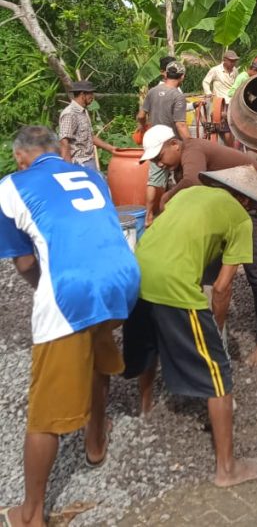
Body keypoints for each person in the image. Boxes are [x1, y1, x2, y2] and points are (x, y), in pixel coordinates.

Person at [0, 126, 139, 527]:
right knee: (98, 351)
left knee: (45, 412)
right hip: (123, 277)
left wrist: (45, 290)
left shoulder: (12, 185)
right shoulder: (90, 173)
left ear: (22, 157)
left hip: (72, 290)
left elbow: (25, 264)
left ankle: (29, 515)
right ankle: (95, 442)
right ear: (55, 151)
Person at [122, 165, 257, 488]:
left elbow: (171, 228)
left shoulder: (189, 193)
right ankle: (227, 469)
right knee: (219, 374)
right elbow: (221, 288)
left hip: (136, 272)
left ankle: (146, 408)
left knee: (149, 344)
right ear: (247, 201)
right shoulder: (240, 218)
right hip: (174, 283)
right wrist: (215, 328)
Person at [139, 127, 257, 367]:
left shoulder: (191, 150)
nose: (159, 164)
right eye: (154, 161)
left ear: (174, 144)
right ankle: (209, 331)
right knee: (212, 265)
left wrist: (166, 198)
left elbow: (193, 181)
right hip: (230, 205)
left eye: (159, 157)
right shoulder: (177, 163)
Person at [136, 60, 189, 224]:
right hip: (171, 145)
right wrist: (190, 143)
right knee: (182, 177)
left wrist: (143, 128)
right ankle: (181, 212)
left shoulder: (152, 91)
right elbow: (180, 124)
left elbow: (141, 115)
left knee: (153, 181)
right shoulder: (177, 96)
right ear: (182, 77)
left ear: (166, 74)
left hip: (155, 143)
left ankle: (149, 216)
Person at [58, 79, 116, 169]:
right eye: (90, 94)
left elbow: (90, 137)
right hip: (78, 163)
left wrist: (111, 148)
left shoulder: (83, 111)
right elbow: (64, 142)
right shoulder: (70, 113)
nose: (92, 96)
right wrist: (68, 168)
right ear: (82, 94)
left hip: (88, 161)